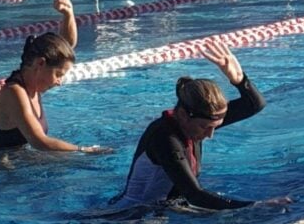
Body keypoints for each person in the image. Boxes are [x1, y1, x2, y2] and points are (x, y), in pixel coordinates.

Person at [111, 39, 290, 211]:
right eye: (206, 128)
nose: (211, 134)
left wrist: (240, 81)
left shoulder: (196, 123)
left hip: (167, 208)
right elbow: (195, 195)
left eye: (215, 126)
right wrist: (254, 206)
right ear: (182, 115)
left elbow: (254, 105)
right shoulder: (165, 138)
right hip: (134, 216)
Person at [0, 0, 106, 153]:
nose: (59, 82)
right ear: (40, 63)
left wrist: (68, 15)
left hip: (24, 161)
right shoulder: (14, 92)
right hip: (5, 168)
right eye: (58, 74)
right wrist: (84, 150)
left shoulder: (33, 84)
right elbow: (40, 142)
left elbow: (65, 47)